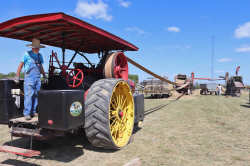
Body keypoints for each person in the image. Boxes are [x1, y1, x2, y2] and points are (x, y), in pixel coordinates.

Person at [15, 38, 46, 120]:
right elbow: (21, 65)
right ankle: (27, 113)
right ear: (32, 47)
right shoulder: (27, 54)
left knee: (36, 95)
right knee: (29, 96)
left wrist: (45, 75)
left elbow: (41, 66)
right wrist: (17, 76)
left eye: (38, 47)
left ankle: (33, 111)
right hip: (29, 78)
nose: (37, 49)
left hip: (37, 78)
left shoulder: (40, 56)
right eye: (36, 47)